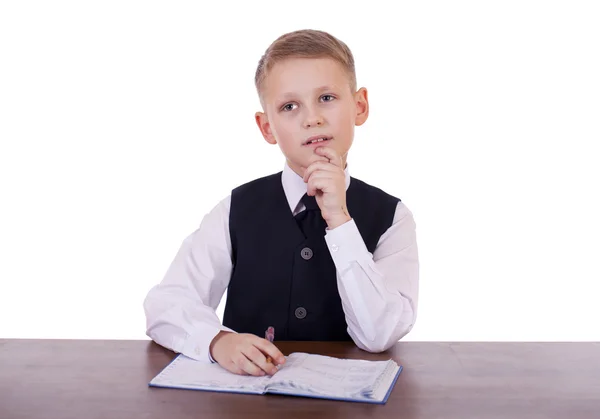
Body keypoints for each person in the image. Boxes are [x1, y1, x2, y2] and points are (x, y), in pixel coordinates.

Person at [143, 29, 419, 378]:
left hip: (351, 405)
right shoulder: (235, 210)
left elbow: (379, 335)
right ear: (267, 128)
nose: (312, 118)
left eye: (327, 98)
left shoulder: (393, 218)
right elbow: (165, 303)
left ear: (359, 106)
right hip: (248, 403)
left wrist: (339, 218)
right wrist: (216, 341)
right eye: (290, 106)